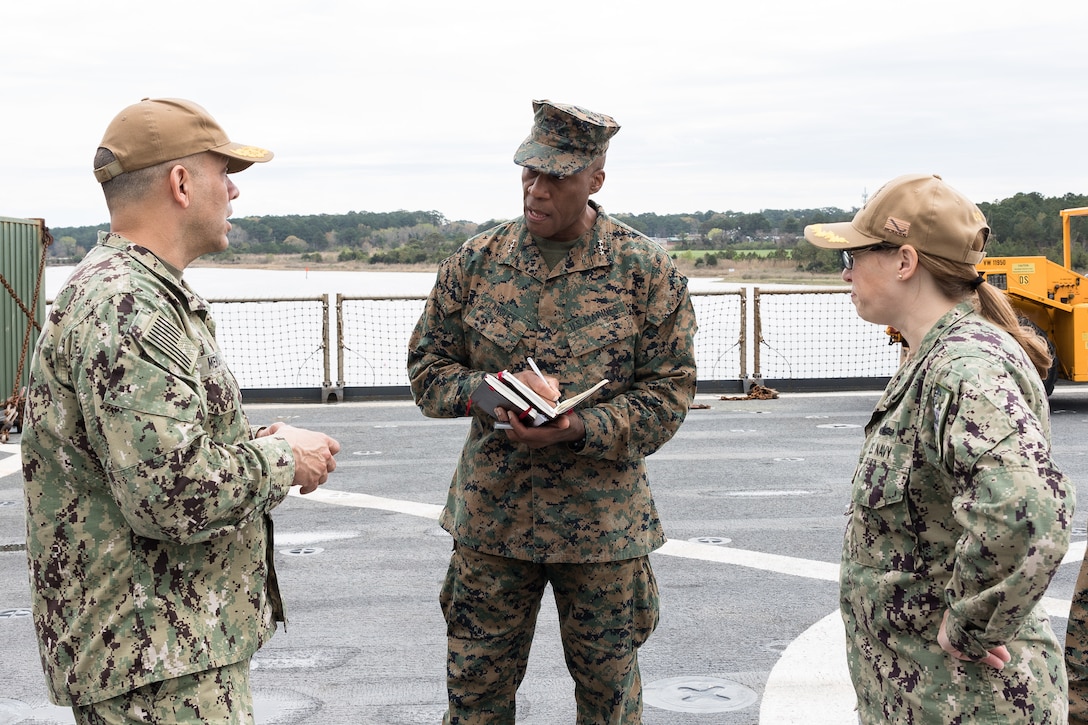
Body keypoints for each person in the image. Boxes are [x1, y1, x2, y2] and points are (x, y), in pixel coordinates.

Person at [21, 97, 341, 724]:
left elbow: (145, 446)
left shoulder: (131, 291)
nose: (234, 194)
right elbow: (169, 492)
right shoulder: (127, 305)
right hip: (154, 662)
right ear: (180, 182)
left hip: (167, 650)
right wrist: (283, 460)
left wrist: (248, 441)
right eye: (226, 174)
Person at [408, 99, 698, 723]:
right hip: (493, 523)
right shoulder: (476, 262)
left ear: (595, 179)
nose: (536, 190)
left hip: (603, 530)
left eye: (557, 178)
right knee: (475, 699)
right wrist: (494, 398)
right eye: (528, 173)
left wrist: (579, 427)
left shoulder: (645, 270)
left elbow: (669, 394)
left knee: (609, 704)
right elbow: (428, 371)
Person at [804, 173, 1073, 723]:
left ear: (905, 262)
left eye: (854, 257)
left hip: (966, 701)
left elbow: (1026, 511)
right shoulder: (934, 356)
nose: (846, 273)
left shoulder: (964, 366)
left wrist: (972, 625)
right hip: (923, 695)